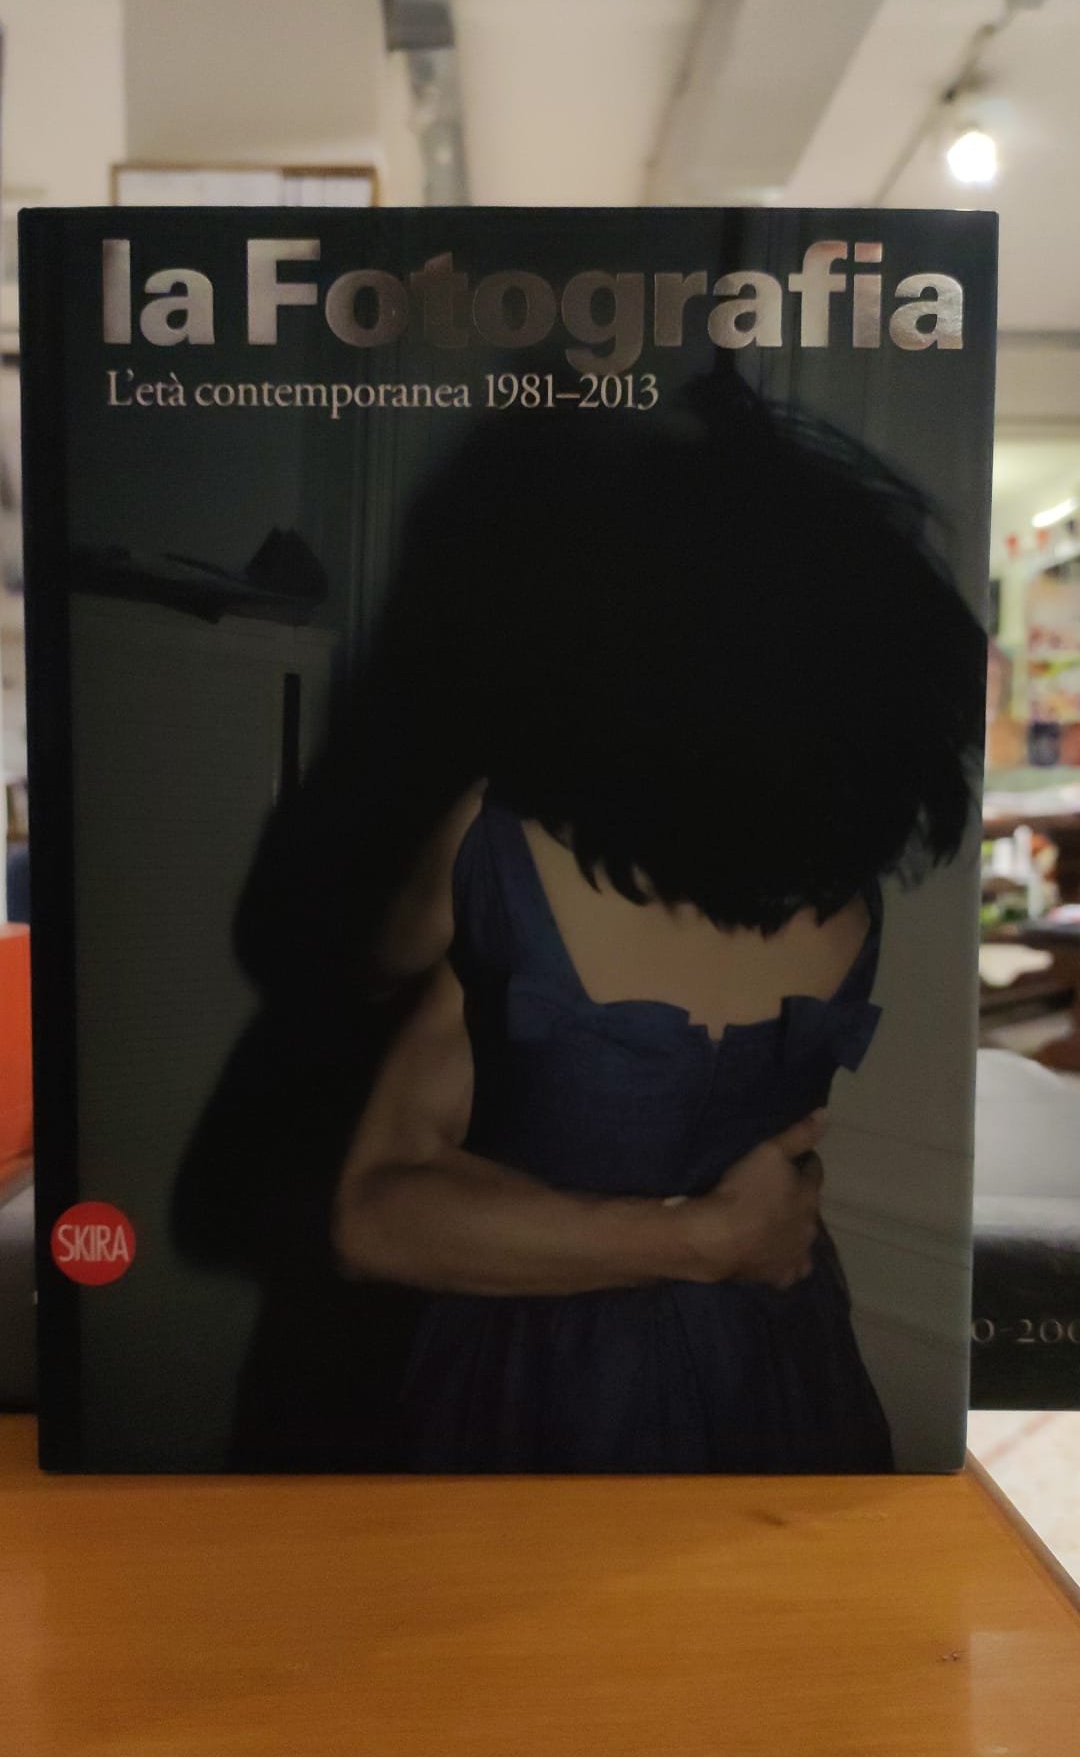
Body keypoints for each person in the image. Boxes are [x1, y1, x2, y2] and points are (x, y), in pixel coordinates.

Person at [312, 377, 986, 1474]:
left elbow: (369, 1204)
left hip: (538, 1374)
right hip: (772, 1358)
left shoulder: (500, 845)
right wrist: (719, 1240)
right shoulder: (846, 904)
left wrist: (700, 1238)